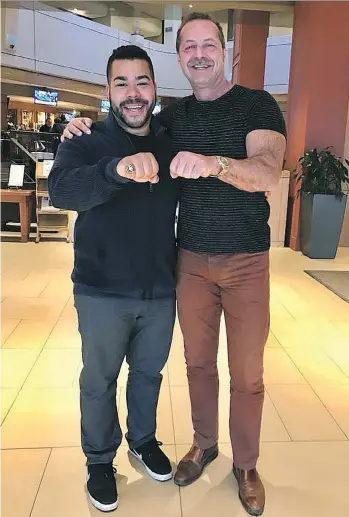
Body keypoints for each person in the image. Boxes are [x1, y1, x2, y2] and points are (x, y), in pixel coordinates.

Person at [62, 13, 287, 516]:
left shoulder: (256, 105)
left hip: (245, 260)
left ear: (225, 50)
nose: (201, 53)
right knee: (194, 365)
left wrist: (214, 164)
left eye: (210, 43)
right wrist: (80, 128)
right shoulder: (172, 119)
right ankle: (201, 445)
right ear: (180, 56)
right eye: (190, 46)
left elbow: (268, 172)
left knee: (246, 373)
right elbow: (106, 147)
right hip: (185, 263)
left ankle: (245, 465)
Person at [48, 45, 180, 513]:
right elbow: (61, 190)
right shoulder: (83, 141)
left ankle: (142, 440)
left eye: (141, 82)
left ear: (154, 89)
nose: (132, 93)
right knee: (99, 380)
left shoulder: (168, 140)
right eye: (121, 83)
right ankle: (99, 459)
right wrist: (117, 170)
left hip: (161, 290)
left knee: (148, 374)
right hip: (101, 289)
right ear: (107, 90)